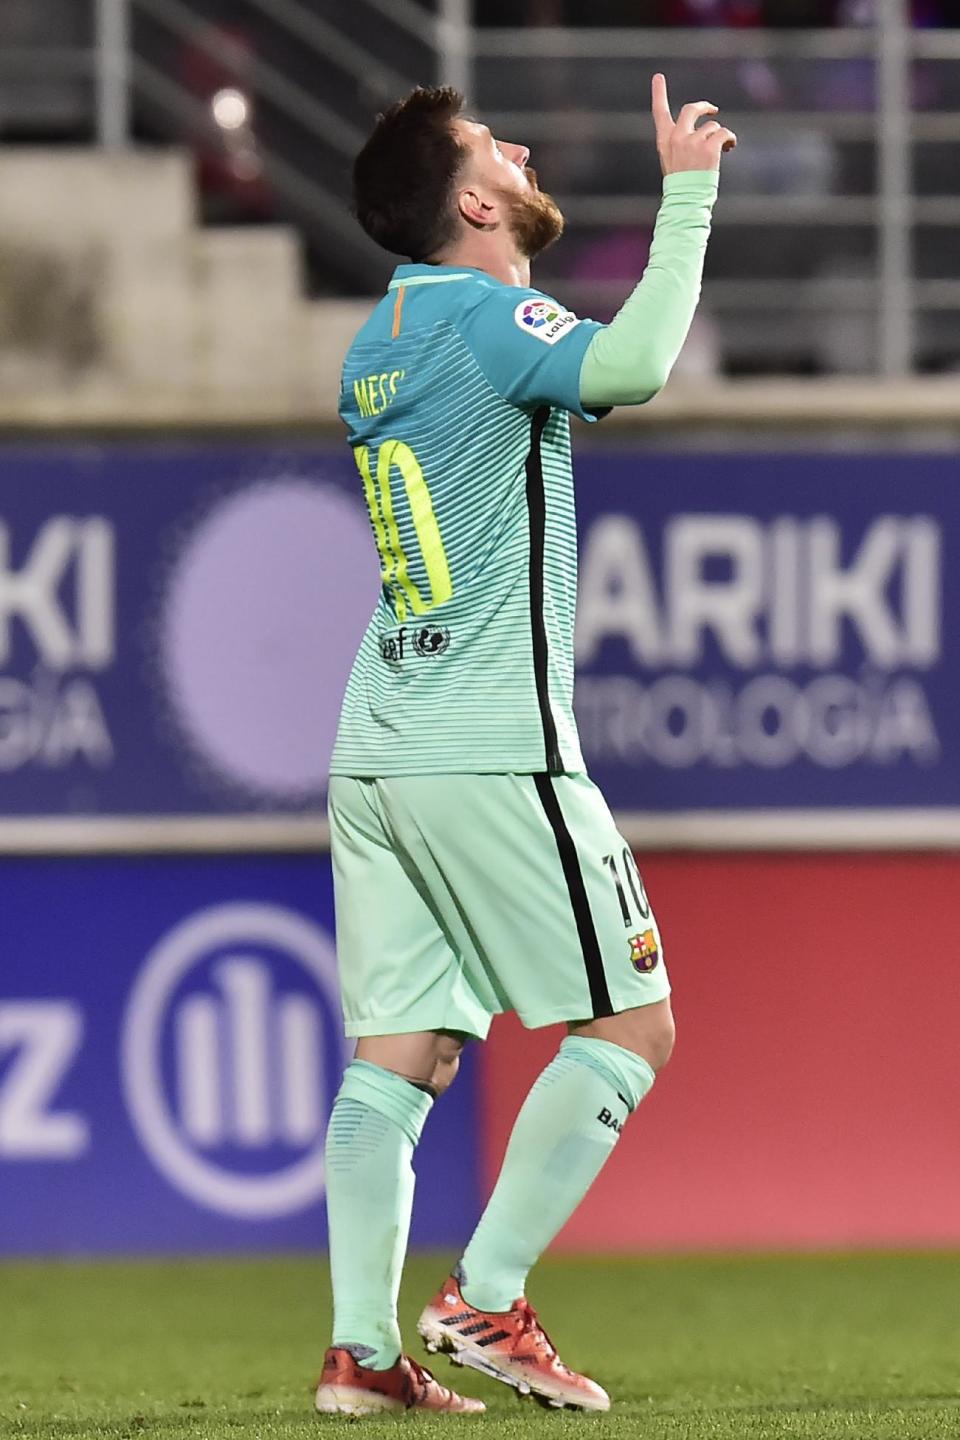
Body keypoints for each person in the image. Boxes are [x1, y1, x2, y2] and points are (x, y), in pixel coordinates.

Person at [316, 75, 735, 1417]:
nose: (524, 147)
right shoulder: (493, 320)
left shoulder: (378, 338)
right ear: (479, 202)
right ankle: (483, 1301)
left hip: (376, 736)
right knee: (633, 1023)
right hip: (488, 742)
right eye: (500, 145)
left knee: (403, 1055)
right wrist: (690, 199)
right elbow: (634, 366)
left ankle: (359, 1353)